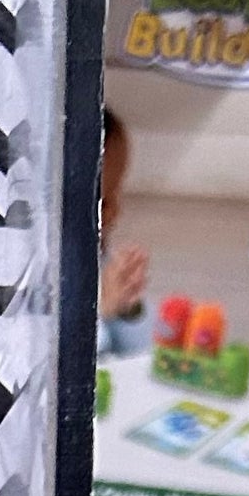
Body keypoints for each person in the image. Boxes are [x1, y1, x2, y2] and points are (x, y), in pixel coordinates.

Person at [97, 107, 148, 358]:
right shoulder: (38, 274)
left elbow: (138, 351)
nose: (115, 212)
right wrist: (100, 314)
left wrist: (127, 308)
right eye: (104, 202)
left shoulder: (100, 258)